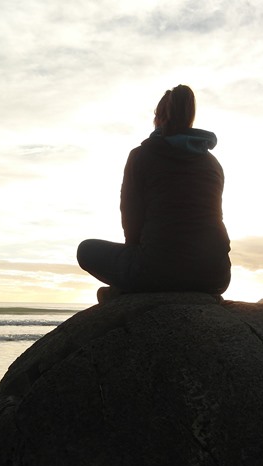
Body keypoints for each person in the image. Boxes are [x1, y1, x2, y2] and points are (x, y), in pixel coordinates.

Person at [77, 85, 231, 303]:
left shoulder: (142, 155)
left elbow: (131, 217)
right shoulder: (212, 164)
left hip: (157, 271)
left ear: (158, 118)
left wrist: (131, 271)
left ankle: (124, 291)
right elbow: (215, 217)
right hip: (215, 276)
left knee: (86, 250)